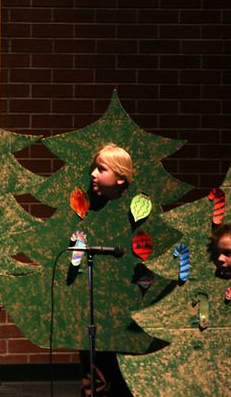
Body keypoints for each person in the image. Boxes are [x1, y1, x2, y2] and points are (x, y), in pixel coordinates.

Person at [81, 142, 134, 397]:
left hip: (123, 304)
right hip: (93, 302)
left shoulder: (133, 213)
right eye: (94, 167)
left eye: (101, 169)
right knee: (93, 367)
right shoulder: (87, 212)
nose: (93, 173)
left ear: (121, 179)